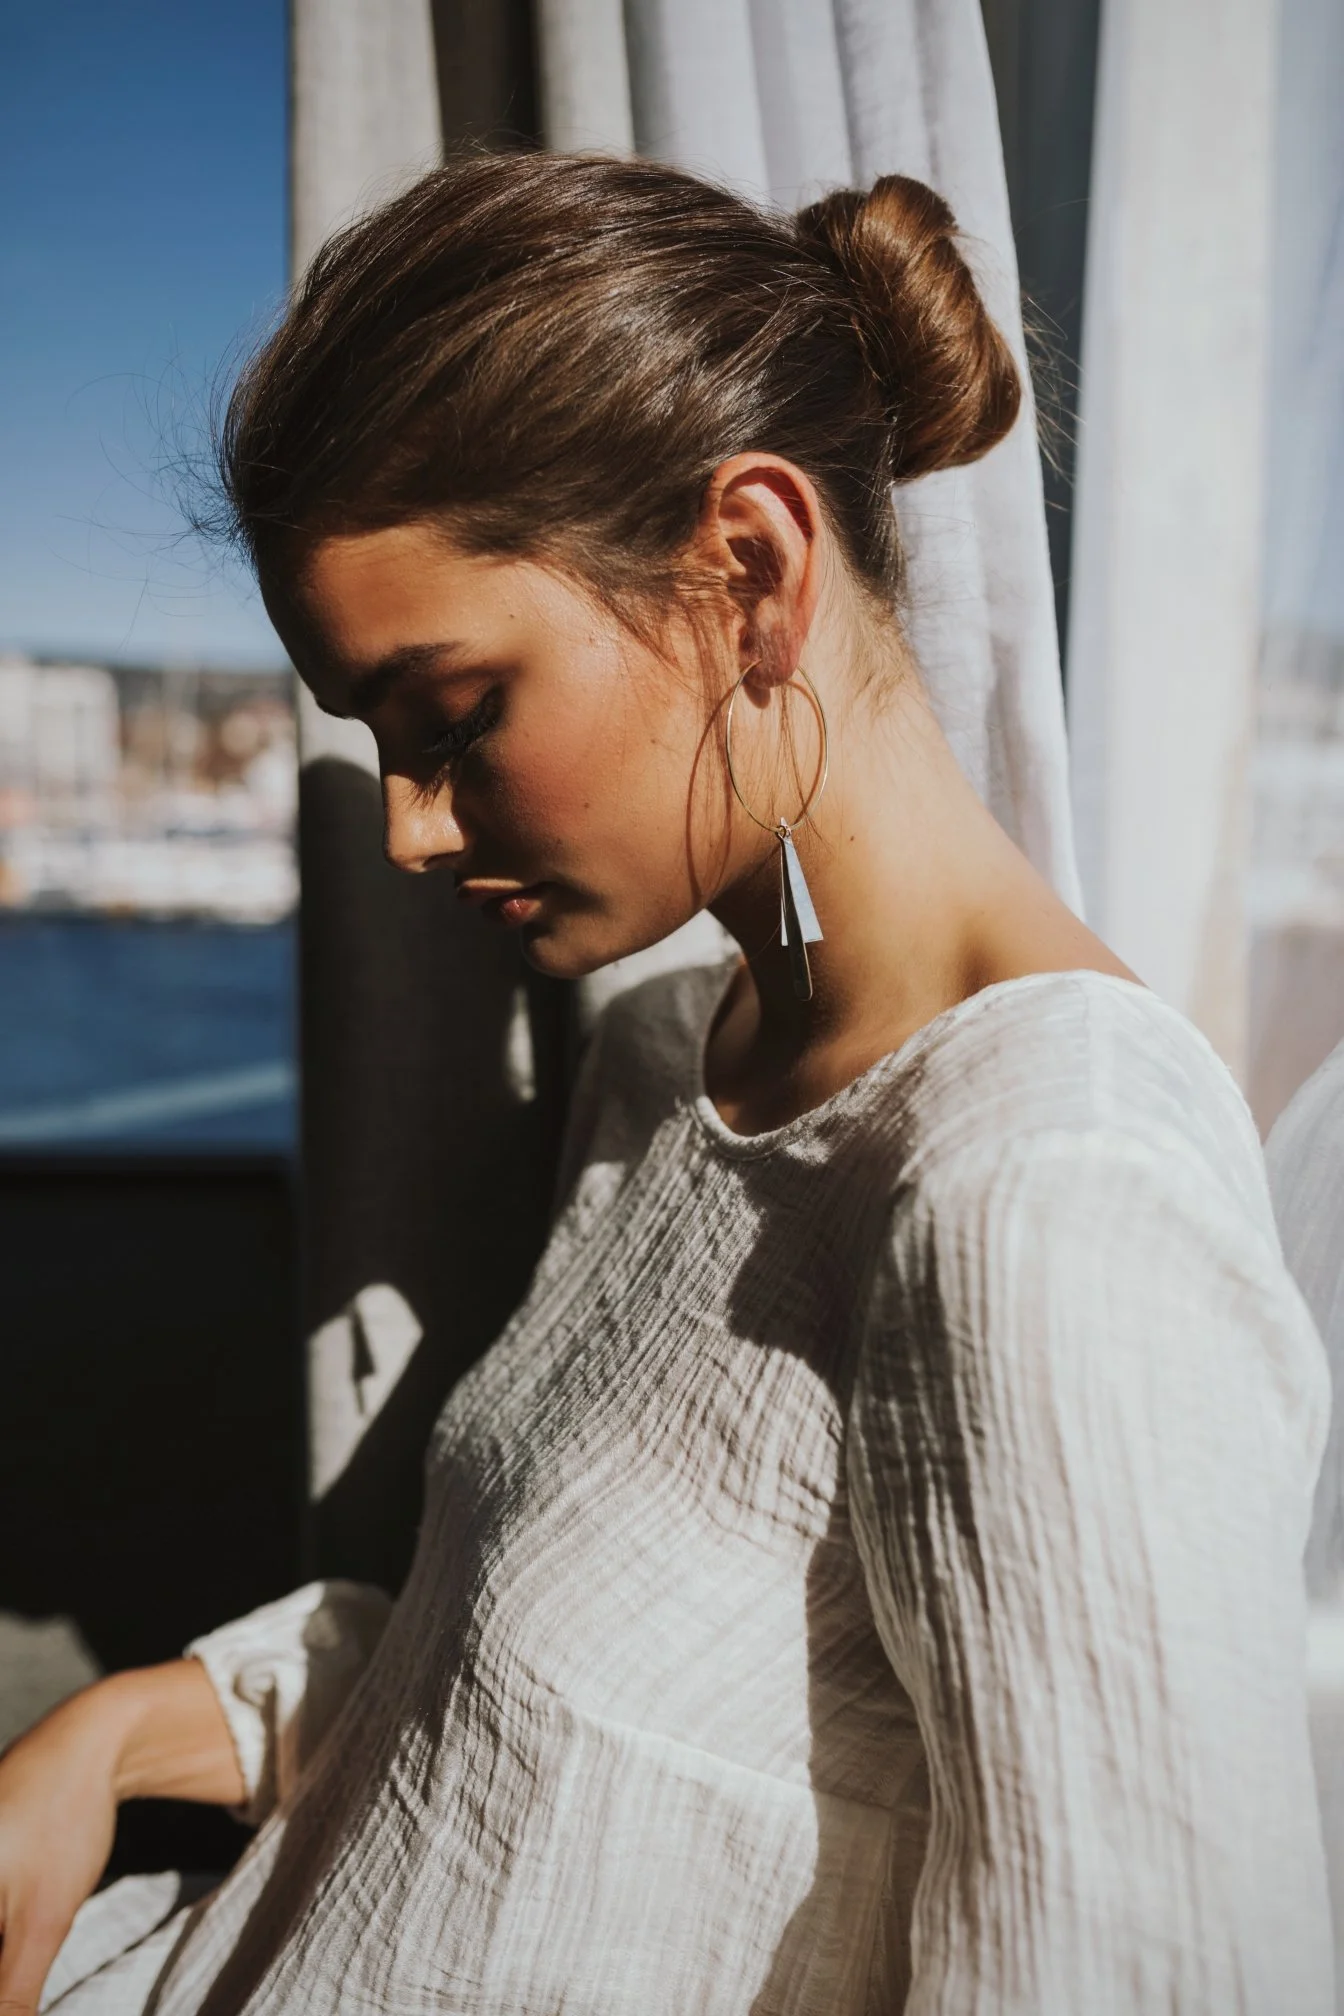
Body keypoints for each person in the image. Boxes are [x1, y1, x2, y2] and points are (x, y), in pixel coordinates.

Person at [0, 150, 1332, 2015]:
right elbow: (545, 1704)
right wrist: (125, 1734)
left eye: (451, 722)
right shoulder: (665, 1059)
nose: (403, 832)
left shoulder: (1046, 1198)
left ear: (751, 569)